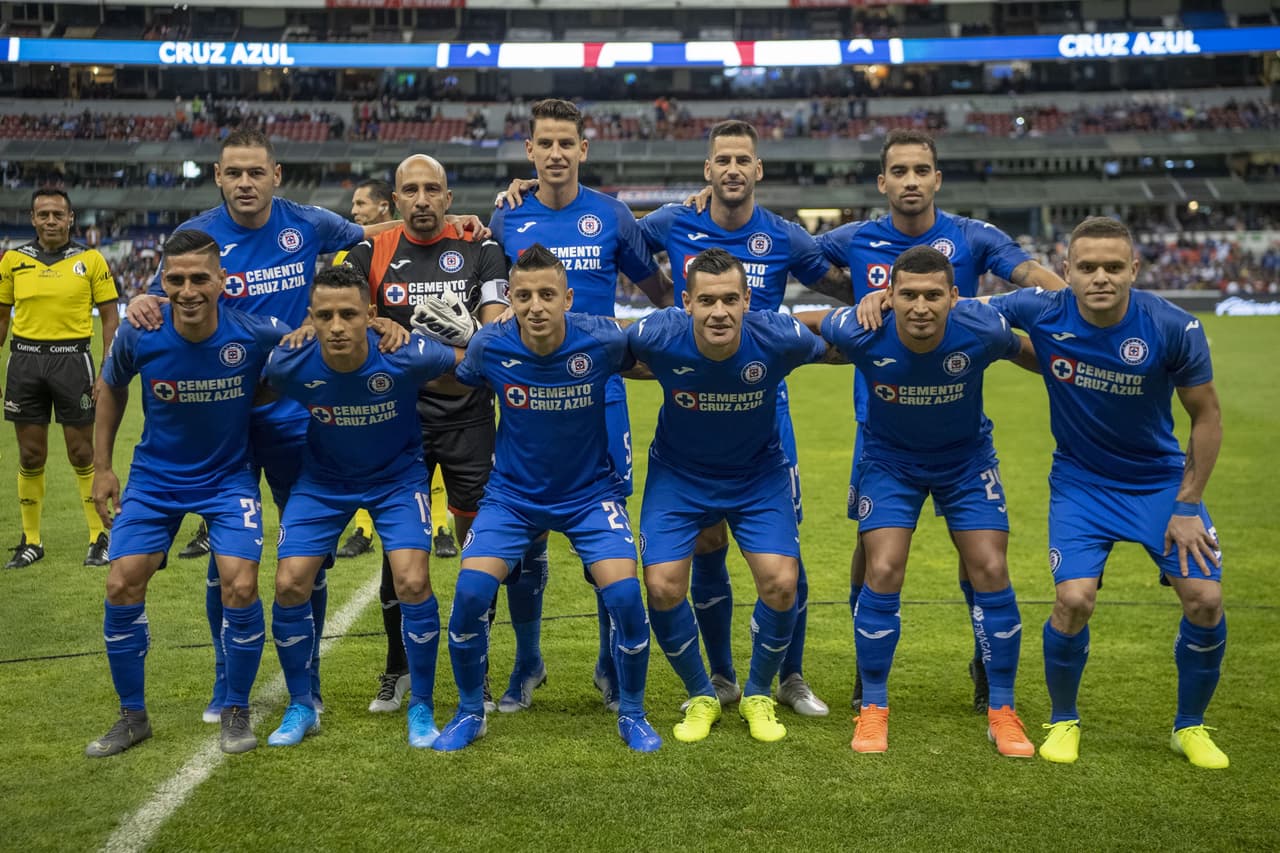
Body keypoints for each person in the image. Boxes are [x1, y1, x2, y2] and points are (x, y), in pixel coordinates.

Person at [125, 128, 399, 724]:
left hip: (293, 410)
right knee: (227, 559)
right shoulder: (195, 239)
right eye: (233, 174)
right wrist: (138, 304)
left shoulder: (308, 224)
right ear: (218, 178)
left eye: (255, 173)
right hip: (222, 417)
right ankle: (227, 683)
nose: (245, 184)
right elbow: (159, 300)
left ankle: (311, 683)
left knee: (310, 552)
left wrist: (459, 226)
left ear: (276, 175)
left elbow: (371, 235)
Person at [815, 129, 1066, 711]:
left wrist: (1082, 307)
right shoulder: (855, 238)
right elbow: (784, 250)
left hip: (954, 404)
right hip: (876, 418)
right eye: (898, 172)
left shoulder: (973, 238)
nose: (910, 181)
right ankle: (866, 667)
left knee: (975, 549)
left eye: (920, 170)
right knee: (873, 546)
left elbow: (1028, 274)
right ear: (883, 182)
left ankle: (985, 659)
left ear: (936, 178)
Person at [988, 217, 1228, 768]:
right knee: (1073, 601)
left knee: (1206, 600)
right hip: (1081, 483)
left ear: (1134, 270)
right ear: (1066, 270)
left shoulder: (1173, 327)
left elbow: (1207, 416)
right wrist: (882, 301)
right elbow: (962, 307)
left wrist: (1188, 504)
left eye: (1114, 267)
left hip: (1160, 483)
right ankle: (1064, 719)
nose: (1101, 277)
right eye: (1088, 267)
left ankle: (1190, 726)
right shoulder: (1040, 309)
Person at [635, 120, 853, 717]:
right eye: (722, 159)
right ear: (707, 170)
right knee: (705, 545)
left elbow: (838, 285)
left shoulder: (782, 235)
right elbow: (606, 234)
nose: (732, 168)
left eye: (743, 160)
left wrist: (885, 293)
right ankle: (723, 678)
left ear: (758, 170)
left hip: (764, 412)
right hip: (692, 401)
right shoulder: (671, 222)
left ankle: (791, 676)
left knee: (785, 557)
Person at [798, 245, 1037, 757]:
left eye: (933, 295)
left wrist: (1080, 378)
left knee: (991, 568)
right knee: (882, 569)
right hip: (890, 463)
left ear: (955, 296)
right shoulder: (860, 327)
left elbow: (1030, 354)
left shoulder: (983, 329)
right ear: (890, 296)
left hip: (967, 462)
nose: (921, 306)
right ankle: (873, 709)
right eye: (907, 295)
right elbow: (810, 321)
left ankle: (1003, 709)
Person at [430, 245, 660, 754]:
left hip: (588, 494)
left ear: (568, 298)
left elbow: (652, 362)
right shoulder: (491, 344)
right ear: (510, 297)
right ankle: (471, 713)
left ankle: (633, 712)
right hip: (512, 497)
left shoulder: (601, 339)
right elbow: (457, 378)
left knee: (624, 595)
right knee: (469, 596)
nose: (535, 306)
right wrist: (406, 351)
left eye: (547, 295)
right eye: (524, 295)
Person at [488, 98, 671, 715]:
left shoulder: (613, 216)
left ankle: (609, 660)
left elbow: (660, 294)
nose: (557, 153)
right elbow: (491, 294)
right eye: (546, 143)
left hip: (601, 398)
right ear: (531, 151)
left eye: (568, 143)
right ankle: (527, 661)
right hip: (527, 398)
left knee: (608, 532)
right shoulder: (507, 216)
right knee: (525, 537)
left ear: (582, 150)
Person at [85, 229, 283, 757]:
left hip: (227, 478)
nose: (188, 290)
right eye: (176, 279)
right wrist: (101, 468)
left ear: (222, 281)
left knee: (240, 585)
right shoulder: (139, 333)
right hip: (155, 478)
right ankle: (132, 716)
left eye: (200, 278)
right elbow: (111, 387)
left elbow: (311, 343)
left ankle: (236, 709)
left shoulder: (254, 332)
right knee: (122, 581)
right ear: (161, 281)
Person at [632, 249, 828, 743]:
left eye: (728, 300)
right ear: (686, 304)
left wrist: (879, 310)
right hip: (680, 475)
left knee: (782, 583)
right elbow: (598, 339)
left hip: (757, 475)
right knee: (662, 586)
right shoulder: (657, 335)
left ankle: (760, 693)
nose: (718, 311)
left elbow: (843, 342)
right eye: (706, 301)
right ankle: (703, 693)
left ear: (747, 301)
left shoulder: (777, 336)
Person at [262, 265, 463, 748]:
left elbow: (465, 366)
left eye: (348, 314)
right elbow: (259, 390)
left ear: (370, 314)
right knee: (290, 583)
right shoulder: (290, 362)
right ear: (309, 318)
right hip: (323, 481)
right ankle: (300, 704)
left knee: (414, 580)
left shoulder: (402, 352)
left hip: (397, 480)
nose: (336, 326)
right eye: (324, 315)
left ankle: (421, 706)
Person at [343, 154, 508, 715]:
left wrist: (430, 352)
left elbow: (490, 340)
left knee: (478, 549)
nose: (420, 199)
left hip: (468, 417)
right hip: (399, 419)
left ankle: (476, 672)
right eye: (409, 190)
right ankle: (398, 667)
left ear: (447, 197)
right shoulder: (371, 253)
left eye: (430, 189)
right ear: (394, 199)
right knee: (401, 551)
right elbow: (340, 312)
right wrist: (374, 323)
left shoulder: (481, 249)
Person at [1, 188, 119, 569]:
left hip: (73, 361)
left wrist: (106, 370)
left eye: (58, 215)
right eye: (43, 215)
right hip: (25, 362)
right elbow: (2, 318)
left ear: (71, 219)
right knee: (31, 455)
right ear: (32, 219)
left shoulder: (91, 259)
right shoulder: (13, 260)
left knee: (82, 453)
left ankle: (98, 538)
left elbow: (111, 319)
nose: (50, 221)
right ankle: (31, 541)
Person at [335, 177, 394, 560]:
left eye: (361, 204)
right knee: (361, 451)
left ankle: (438, 523)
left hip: (400, 359)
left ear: (384, 207)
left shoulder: (401, 243)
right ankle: (362, 528)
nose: (354, 211)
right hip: (360, 362)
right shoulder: (349, 253)